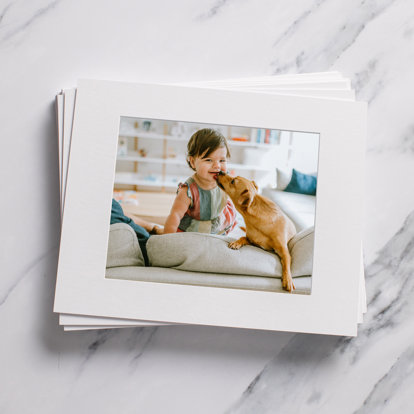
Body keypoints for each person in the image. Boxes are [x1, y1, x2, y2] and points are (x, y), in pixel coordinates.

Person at [163, 128, 237, 235]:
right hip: (193, 230)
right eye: (208, 160)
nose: (217, 166)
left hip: (217, 222)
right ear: (192, 162)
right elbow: (175, 215)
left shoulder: (225, 180)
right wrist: (167, 239)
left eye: (222, 160)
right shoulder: (188, 191)